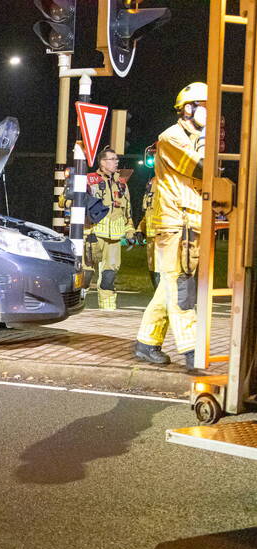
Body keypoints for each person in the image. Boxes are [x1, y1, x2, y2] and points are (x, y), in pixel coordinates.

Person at [135, 82, 207, 369]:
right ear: (188, 109)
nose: (209, 113)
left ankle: (146, 342)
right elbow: (202, 168)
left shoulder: (195, 137)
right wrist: (206, 141)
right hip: (175, 222)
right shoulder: (172, 138)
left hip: (191, 220)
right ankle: (191, 351)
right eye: (204, 106)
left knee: (169, 285)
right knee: (181, 287)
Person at [84, 147, 134, 309]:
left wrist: (130, 230)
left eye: (116, 159)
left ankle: (107, 309)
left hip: (114, 238)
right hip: (92, 233)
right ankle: (77, 308)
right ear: (102, 162)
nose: (116, 162)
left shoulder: (121, 185)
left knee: (109, 276)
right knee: (85, 275)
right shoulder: (89, 180)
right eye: (112, 159)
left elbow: (128, 211)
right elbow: (69, 202)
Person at [138, 176, 159, 289]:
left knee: (166, 271)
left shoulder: (170, 182)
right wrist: (141, 229)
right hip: (152, 237)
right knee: (154, 269)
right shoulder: (152, 182)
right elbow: (148, 211)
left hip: (165, 236)